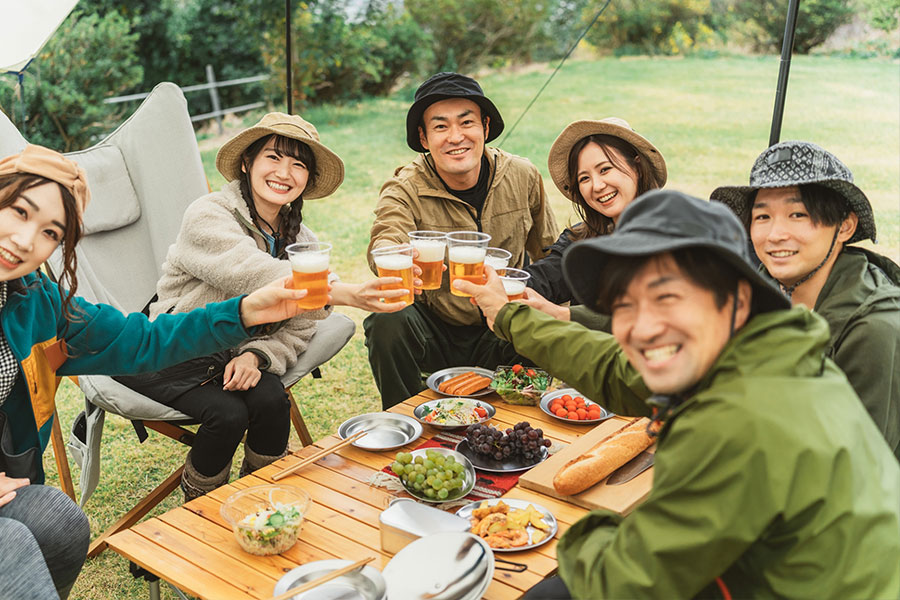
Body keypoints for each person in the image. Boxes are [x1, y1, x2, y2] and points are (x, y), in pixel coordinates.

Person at [454, 190, 900, 599]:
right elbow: (615, 368)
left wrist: (572, 527)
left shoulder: (741, 421)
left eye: (668, 298)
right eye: (624, 305)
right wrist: (512, 317)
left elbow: (622, 581)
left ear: (737, 300)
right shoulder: (767, 352)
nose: (643, 327)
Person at [0, 145, 308, 599]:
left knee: (59, 521)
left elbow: (141, 341)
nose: (27, 241)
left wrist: (242, 313)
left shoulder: (34, 300)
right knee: (17, 542)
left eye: (49, 232)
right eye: (19, 211)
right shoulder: (212, 214)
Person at [117, 112, 412, 501]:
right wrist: (342, 292)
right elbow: (249, 271)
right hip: (169, 350)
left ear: (307, 179)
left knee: (272, 399)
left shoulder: (301, 239)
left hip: (229, 355)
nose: (284, 172)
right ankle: (199, 512)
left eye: (298, 164)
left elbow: (303, 323)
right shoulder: (208, 214)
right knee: (228, 415)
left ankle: (260, 500)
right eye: (273, 158)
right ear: (246, 163)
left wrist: (258, 355)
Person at [364, 72, 558, 409]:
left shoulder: (522, 175)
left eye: (466, 122)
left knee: (539, 311)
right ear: (424, 138)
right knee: (386, 320)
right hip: (434, 330)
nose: (456, 137)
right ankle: (405, 418)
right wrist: (398, 256)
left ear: (484, 126)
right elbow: (385, 238)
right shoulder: (405, 187)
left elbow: (549, 252)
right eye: (440, 126)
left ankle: (521, 418)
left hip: (501, 323)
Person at [711, 141, 900, 458]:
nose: (775, 235)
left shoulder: (873, 328)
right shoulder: (760, 289)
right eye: (762, 217)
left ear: (845, 226)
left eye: (797, 214)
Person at [523, 117, 666, 328]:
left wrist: (560, 314)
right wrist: (505, 284)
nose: (597, 186)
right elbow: (545, 277)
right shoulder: (581, 239)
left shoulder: (671, 237)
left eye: (605, 169)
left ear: (637, 166)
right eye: (584, 178)